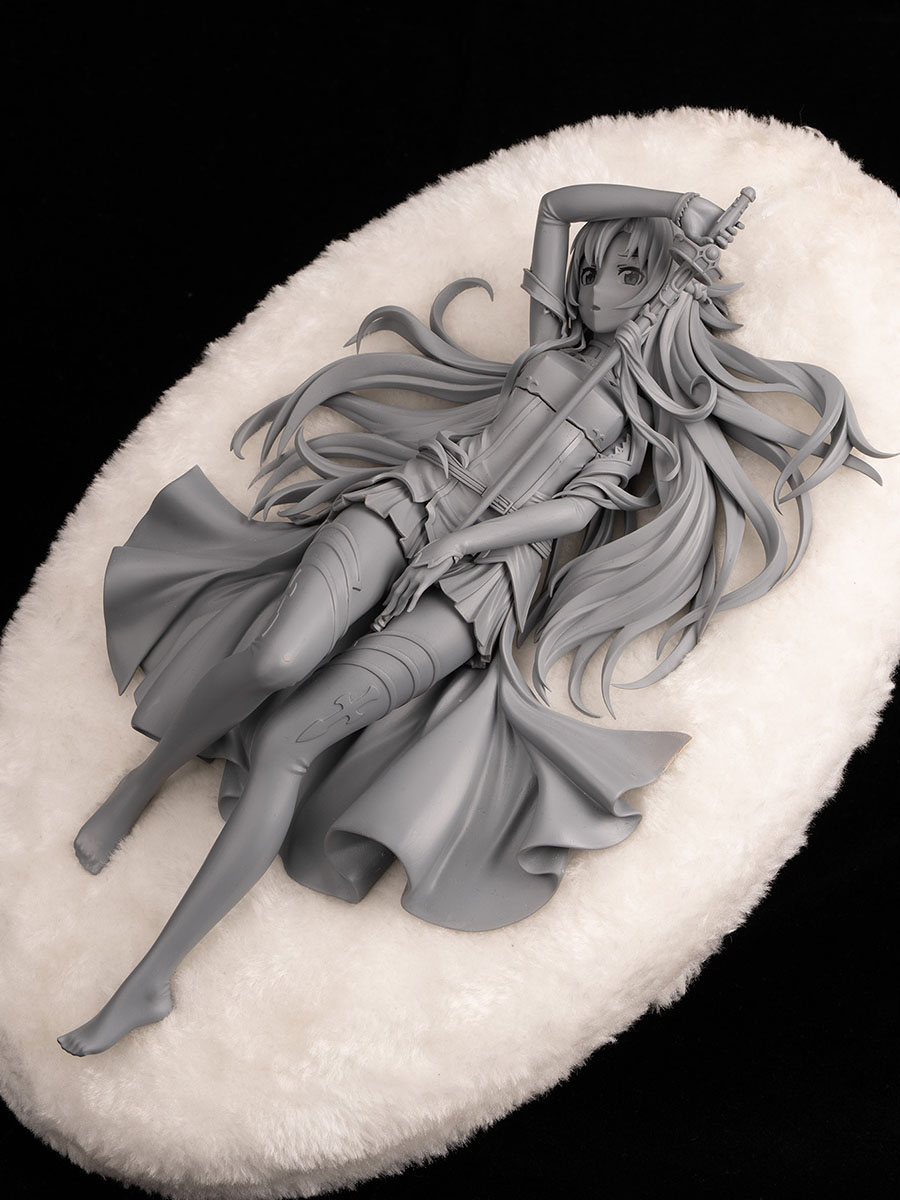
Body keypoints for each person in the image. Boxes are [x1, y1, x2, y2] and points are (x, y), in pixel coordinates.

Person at [58, 185, 884, 1056]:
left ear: (666, 294)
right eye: (593, 274)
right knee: (277, 661)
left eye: (626, 277)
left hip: (486, 581)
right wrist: (672, 203)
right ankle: (144, 779)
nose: (596, 293)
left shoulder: (641, 419)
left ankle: (150, 981)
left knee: (289, 743)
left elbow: (576, 510)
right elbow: (558, 208)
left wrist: (471, 542)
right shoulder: (550, 342)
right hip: (414, 497)